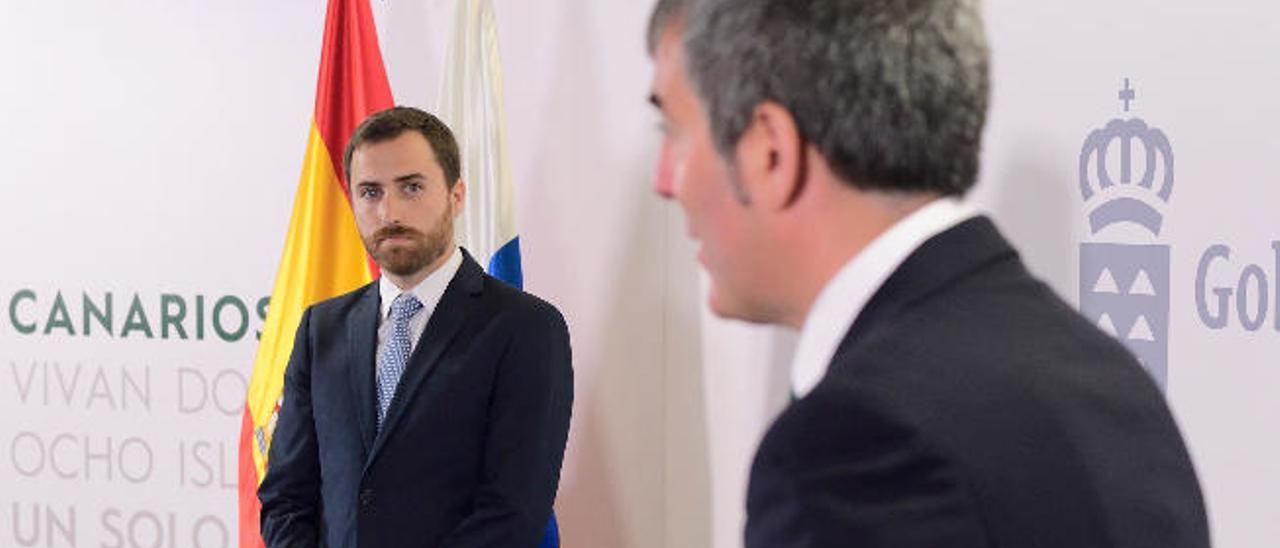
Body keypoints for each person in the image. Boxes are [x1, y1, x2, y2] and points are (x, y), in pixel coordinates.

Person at [646, 1, 1209, 547]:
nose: (664, 181)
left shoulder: (852, 449)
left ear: (770, 151)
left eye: (674, 132)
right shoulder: (1106, 378)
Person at [257, 106, 573, 547]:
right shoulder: (321, 329)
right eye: (370, 192)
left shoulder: (526, 329)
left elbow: (512, 511)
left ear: (456, 195)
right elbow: (287, 497)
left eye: (411, 187)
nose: (389, 212)